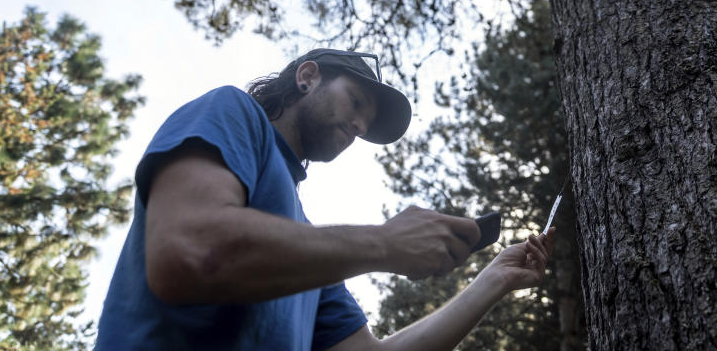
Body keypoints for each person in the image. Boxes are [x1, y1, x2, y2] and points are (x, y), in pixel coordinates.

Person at [95, 48, 555, 350]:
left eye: (366, 125)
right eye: (355, 102)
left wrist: (494, 281)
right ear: (308, 77)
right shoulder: (232, 112)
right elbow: (187, 251)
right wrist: (384, 243)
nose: (358, 127)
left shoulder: (306, 248)